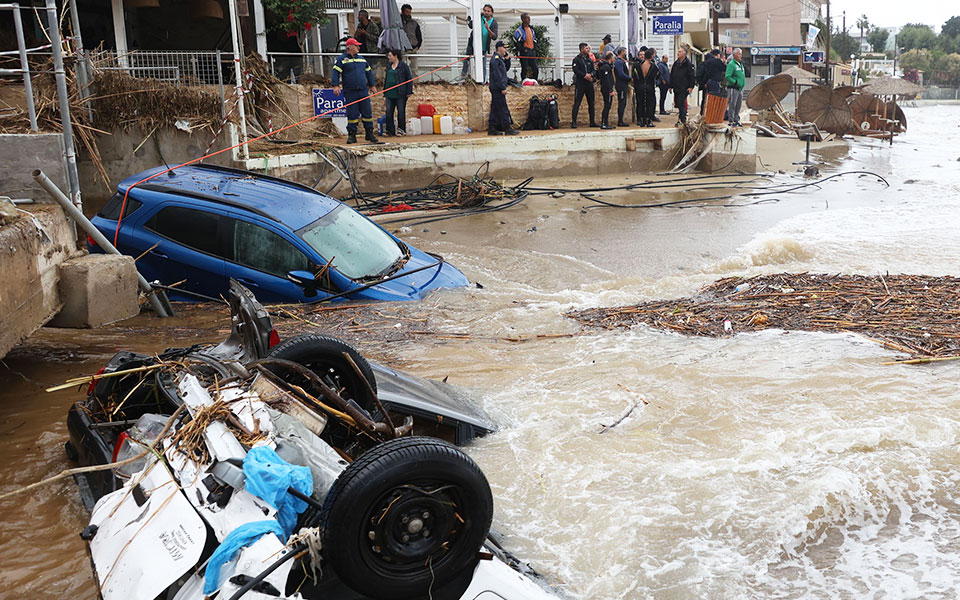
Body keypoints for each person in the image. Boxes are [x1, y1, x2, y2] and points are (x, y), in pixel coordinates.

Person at [333, 38, 380, 144]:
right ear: (350, 47)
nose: (359, 47)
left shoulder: (362, 59)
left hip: (363, 90)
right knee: (352, 114)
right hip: (350, 91)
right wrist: (335, 85)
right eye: (356, 46)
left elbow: (369, 73)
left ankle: (369, 134)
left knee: (367, 113)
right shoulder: (341, 59)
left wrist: (372, 85)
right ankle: (352, 135)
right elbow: (335, 72)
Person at [488, 41, 518, 135]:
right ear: (499, 48)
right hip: (497, 88)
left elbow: (504, 70)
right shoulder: (496, 59)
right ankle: (507, 127)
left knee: (495, 108)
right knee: (503, 108)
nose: (506, 50)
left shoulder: (499, 59)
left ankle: (492, 128)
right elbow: (497, 75)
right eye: (504, 48)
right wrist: (502, 87)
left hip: (496, 87)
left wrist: (507, 60)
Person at [461, 4, 497, 81]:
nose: (486, 12)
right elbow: (471, 26)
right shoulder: (479, 16)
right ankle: (463, 76)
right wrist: (469, 20)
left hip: (483, 47)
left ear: (492, 12)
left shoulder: (493, 22)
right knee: (467, 59)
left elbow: (494, 37)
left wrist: (488, 28)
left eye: (488, 11)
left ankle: (482, 81)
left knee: (483, 65)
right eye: (485, 10)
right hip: (473, 44)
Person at [383, 48, 413, 136]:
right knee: (389, 111)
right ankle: (390, 130)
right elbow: (386, 79)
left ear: (395, 56)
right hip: (389, 93)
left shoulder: (403, 66)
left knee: (400, 111)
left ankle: (401, 129)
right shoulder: (388, 66)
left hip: (400, 93)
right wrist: (384, 91)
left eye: (390, 56)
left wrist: (409, 91)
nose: (389, 58)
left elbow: (409, 78)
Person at [571, 43, 599, 128]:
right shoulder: (577, 59)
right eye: (586, 48)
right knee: (577, 102)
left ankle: (592, 121)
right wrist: (584, 75)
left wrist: (591, 75)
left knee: (591, 102)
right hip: (580, 83)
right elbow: (575, 70)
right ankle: (573, 122)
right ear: (582, 49)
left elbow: (594, 70)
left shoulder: (589, 60)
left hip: (589, 83)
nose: (588, 50)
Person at [632, 48, 658, 127]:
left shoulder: (638, 65)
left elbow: (634, 75)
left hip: (640, 86)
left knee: (640, 103)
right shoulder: (653, 66)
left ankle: (641, 120)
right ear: (651, 57)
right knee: (650, 103)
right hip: (649, 86)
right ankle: (648, 120)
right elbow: (656, 76)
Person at [670, 46, 696, 124]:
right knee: (678, 103)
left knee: (681, 103)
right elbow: (672, 74)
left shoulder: (688, 64)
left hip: (684, 87)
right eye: (678, 51)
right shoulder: (676, 63)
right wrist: (670, 86)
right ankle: (681, 119)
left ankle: (682, 120)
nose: (678, 53)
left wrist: (691, 86)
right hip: (676, 87)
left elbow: (691, 76)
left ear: (684, 53)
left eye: (680, 51)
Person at [698, 49, 726, 115]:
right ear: (718, 55)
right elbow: (724, 68)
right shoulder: (717, 61)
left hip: (707, 82)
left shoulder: (705, 62)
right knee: (714, 99)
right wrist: (723, 61)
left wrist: (703, 83)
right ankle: (712, 114)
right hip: (715, 82)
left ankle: (703, 113)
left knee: (705, 99)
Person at [513, 12, 538, 81]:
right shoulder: (519, 30)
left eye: (529, 18)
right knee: (524, 68)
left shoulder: (531, 29)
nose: (529, 19)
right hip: (524, 52)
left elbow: (535, 40)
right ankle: (524, 81)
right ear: (523, 19)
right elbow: (515, 40)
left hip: (531, 51)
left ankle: (534, 81)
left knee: (535, 68)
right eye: (527, 18)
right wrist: (522, 49)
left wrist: (534, 49)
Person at [724, 47, 745, 126]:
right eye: (739, 54)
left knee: (738, 104)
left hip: (740, 88)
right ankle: (731, 120)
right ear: (735, 55)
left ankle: (736, 119)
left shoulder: (740, 64)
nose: (740, 56)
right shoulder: (731, 64)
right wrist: (735, 82)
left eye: (741, 54)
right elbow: (727, 76)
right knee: (732, 103)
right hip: (733, 87)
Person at [400, 4, 422, 73]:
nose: (408, 14)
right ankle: (402, 81)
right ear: (402, 12)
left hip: (413, 47)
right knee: (402, 66)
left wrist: (418, 46)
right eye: (407, 12)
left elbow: (419, 35)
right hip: (401, 48)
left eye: (409, 12)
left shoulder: (414, 23)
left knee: (414, 67)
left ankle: (415, 81)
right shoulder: (398, 23)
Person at [598, 51, 616, 129]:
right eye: (613, 57)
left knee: (608, 106)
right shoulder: (606, 67)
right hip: (606, 89)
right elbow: (606, 80)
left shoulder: (608, 66)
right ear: (611, 57)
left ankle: (606, 122)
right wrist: (610, 90)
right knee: (607, 105)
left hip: (607, 88)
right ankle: (604, 123)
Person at [614, 47, 631, 127]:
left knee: (623, 102)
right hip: (621, 85)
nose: (626, 54)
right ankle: (620, 121)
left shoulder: (621, 62)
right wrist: (629, 78)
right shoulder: (619, 62)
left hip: (623, 84)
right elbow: (621, 74)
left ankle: (621, 120)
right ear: (621, 52)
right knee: (621, 102)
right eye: (625, 52)